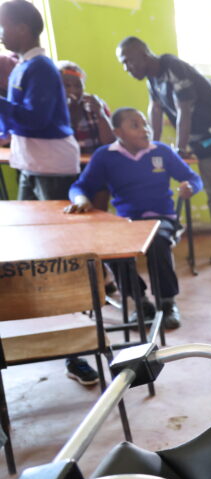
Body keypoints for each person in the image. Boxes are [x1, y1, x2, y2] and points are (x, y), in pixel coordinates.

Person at [0, 0, 94, 386]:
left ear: (23, 28)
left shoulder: (40, 67)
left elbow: (37, 119)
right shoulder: (22, 65)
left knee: (60, 257)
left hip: (52, 166)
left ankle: (77, 349)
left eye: (4, 26)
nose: (1, 33)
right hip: (30, 164)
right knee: (32, 252)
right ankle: (51, 331)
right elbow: (19, 119)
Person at [115, 36, 211, 274]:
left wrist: (180, 148)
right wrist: (151, 146)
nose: (126, 68)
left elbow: (183, 110)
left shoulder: (172, 67)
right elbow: (155, 110)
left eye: (128, 61)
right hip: (203, 142)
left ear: (143, 55)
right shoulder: (152, 80)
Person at [66, 108, 202, 330]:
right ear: (118, 132)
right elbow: (79, 186)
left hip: (162, 219)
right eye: (135, 125)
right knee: (113, 249)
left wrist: (191, 186)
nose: (145, 130)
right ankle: (140, 302)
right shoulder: (105, 156)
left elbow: (193, 177)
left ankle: (167, 303)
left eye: (145, 124)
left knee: (157, 242)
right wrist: (81, 199)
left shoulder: (161, 152)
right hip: (127, 222)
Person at [56, 60, 114, 154]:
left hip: (95, 161)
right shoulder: (52, 110)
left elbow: (110, 144)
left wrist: (100, 115)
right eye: (67, 85)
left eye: (78, 86)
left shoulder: (95, 105)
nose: (73, 90)